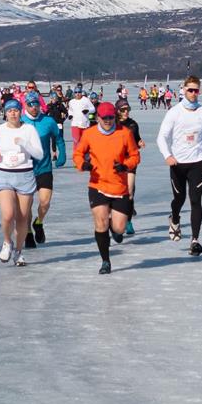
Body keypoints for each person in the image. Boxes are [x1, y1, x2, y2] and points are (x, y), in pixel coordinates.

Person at [74, 102, 140, 274]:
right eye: (104, 118)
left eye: (111, 118)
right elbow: (78, 153)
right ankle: (105, 261)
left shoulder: (124, 133)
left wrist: (125, 166)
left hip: (119, 186)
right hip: (97, 184)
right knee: (101, 222)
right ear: (98, 118)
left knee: (118, 228)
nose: (108, 121)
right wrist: (83, 164)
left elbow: (135, 155)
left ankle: (115, 229)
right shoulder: (89, 134)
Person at [156, 75, 202, 254]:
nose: (192, 93)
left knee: (196, 200)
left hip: (197, 163)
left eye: (196, 90)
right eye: (189, 90)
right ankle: (174, 218)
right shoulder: (174, 112)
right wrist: (167, 155)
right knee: (179, 199)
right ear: (183, 90)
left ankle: (195, 240)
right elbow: (161, 137)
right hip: (177, 164)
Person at [0, 99, 44, 266]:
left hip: (25, 176)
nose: (13, 113)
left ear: (21, 112)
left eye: (16, 110)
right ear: (5, 113)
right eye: (9, 110)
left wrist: (24, 143)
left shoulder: (29, 129)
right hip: (5, 174)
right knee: (7, 215)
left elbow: (39, 154)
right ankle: (7, 242)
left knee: (22, 218)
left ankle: (18, 251)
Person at [21, 91, 68, 247]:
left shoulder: (48, 121)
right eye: (30, 104)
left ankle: (39, 222)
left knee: (45, 201)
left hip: (44, 168)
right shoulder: (19, 122)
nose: (34, 107)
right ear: (25, 106)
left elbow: (59, 139)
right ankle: (27, 232)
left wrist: (62, 155)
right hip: (25, 170)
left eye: (36, 104)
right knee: (26, 206)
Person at [116, 99, 145, 234]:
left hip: (130, 160)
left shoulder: (133, 124)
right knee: (116, 193)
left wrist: (139, 142)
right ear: (117, 111)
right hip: (116, 161)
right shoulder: (113, 124)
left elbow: (137, 138)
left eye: (128, 109)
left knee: (130, 192)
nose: (126, 112)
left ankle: (128, 221)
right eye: (123, 110)